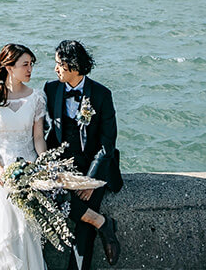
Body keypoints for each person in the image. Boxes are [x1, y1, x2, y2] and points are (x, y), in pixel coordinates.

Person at [44, 40, 123, 269]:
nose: (55, 68)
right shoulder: (50, 89)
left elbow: (107, 144)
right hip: (62, 165)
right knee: (53, 199)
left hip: (94, 166)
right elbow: (48, 133)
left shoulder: (101, 94)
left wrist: (89, 181)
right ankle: (104, 223)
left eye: (59, 63)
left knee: (83, 228)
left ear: (72, 65)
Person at [0, 43, 48, 270]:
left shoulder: (36, 97)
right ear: (9, 67)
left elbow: (38, 139)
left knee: (25, 233)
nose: (30, 70)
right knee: (2, 235)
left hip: (28, 171)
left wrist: (43, 165)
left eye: (31, 65)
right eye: (25, 64)